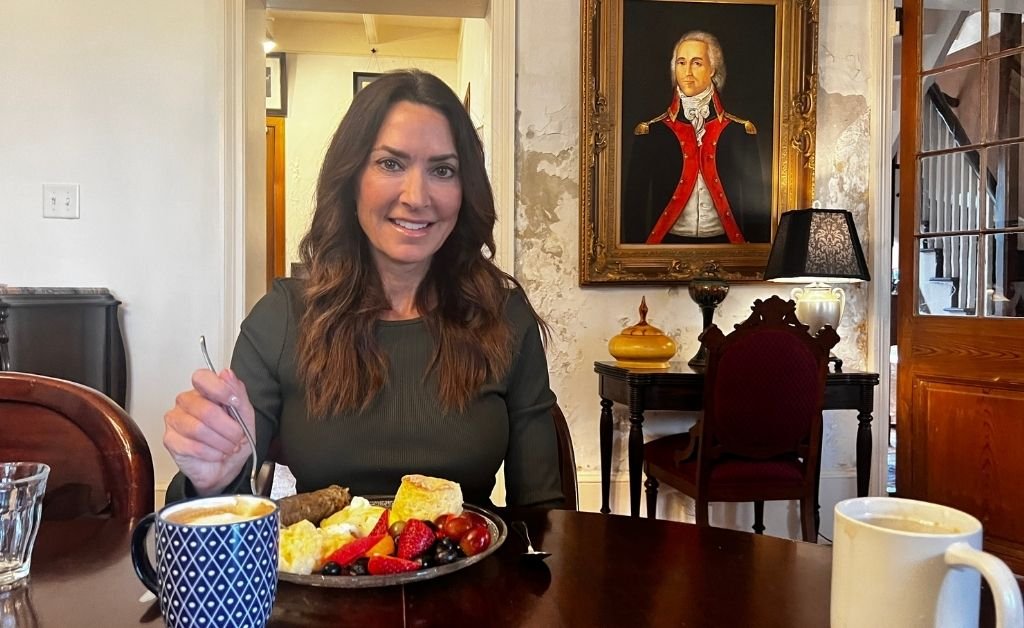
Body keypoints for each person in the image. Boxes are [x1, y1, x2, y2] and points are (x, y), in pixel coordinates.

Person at [163, 70, 564, 509]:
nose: (416, 197)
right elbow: (223, 513)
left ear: (465, 190)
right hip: (322, 554)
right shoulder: (282, 318)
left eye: (443, 170)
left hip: (470, 553)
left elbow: (543, 514)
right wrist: (212, 483)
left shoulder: (505, 316)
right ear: (351, 177)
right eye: (391, 164)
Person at [621, 30, 770, 245]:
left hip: (726, 246)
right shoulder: (650, 134)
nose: (688, 72)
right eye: (681, 63)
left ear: (712, 69)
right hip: (668, 245)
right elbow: (634, 208)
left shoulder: (741, 132)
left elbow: (757, 210)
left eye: (697, 63)